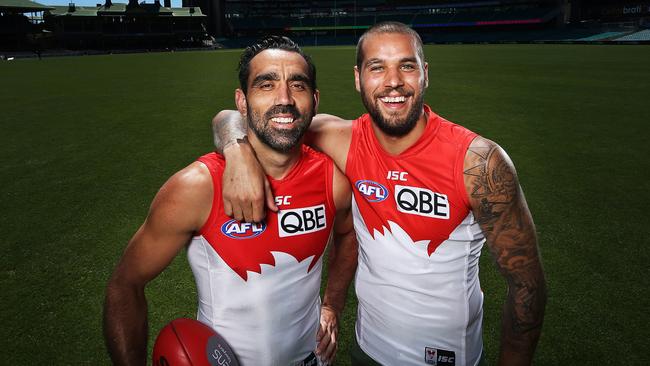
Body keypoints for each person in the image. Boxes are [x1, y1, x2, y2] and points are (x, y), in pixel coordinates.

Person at [211, 22, 547, 366]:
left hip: (448, 358)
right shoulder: (341, 138)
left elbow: (527, 288)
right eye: (377, 68)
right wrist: (237, 153)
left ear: (424, 74)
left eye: (406, 65)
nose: (393, 82)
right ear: (358, 78)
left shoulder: (478, 162)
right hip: (368, 349)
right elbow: (231, 117)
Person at [103, 35, 358, 366]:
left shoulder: (332, 180)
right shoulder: (198, 187)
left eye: (297, 86)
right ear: (242, 101)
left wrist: (332, 305)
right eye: (266, 85)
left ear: (314, 98)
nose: (284, 99)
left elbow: (348, 233)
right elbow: (125, 285)